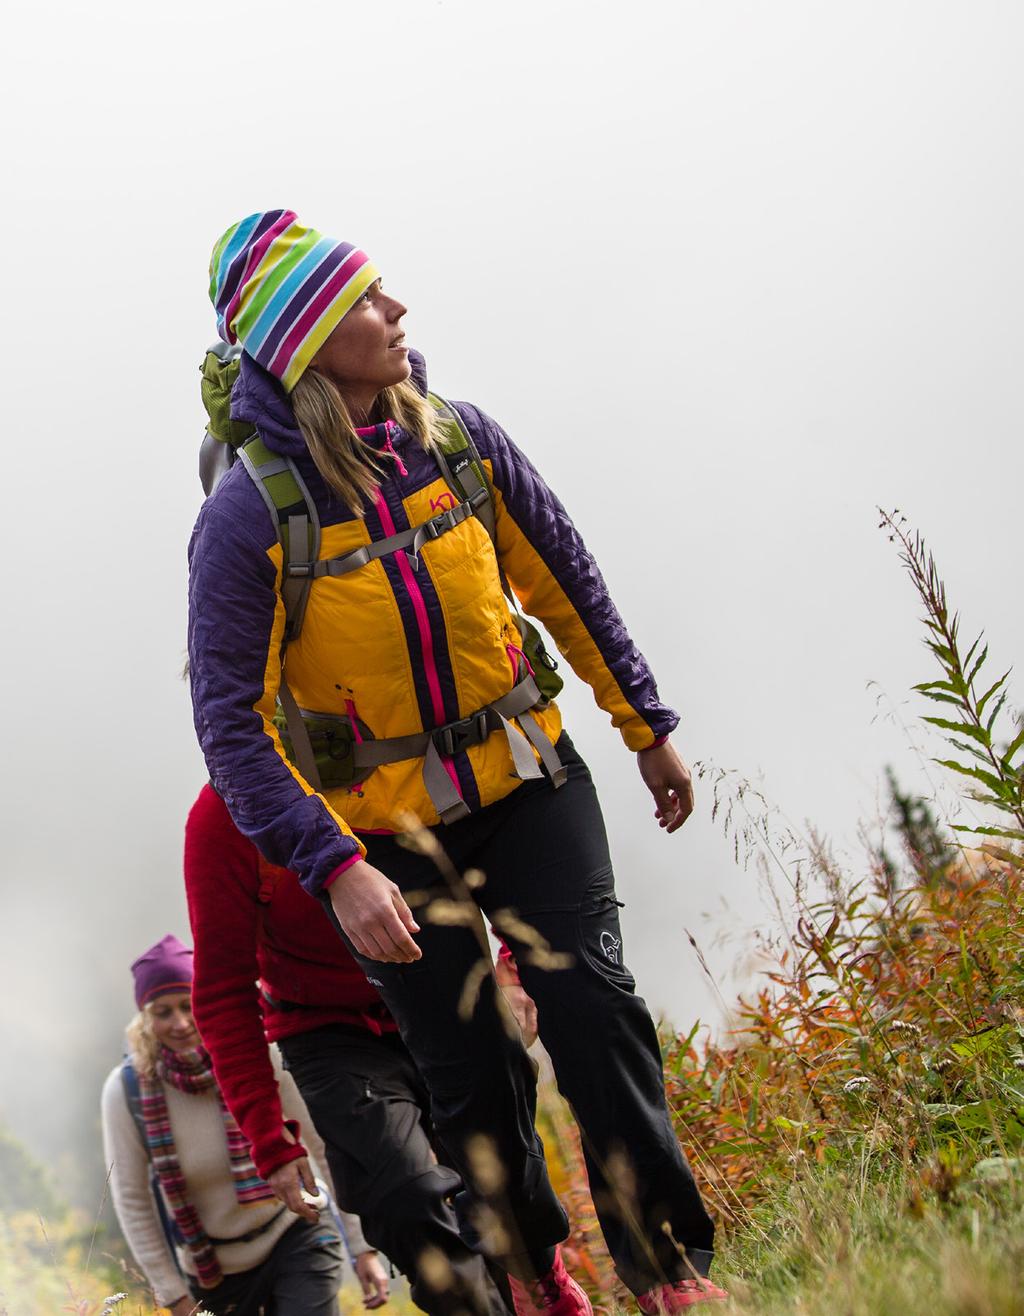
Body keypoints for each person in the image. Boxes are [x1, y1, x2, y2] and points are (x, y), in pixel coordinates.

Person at [188, 209, 727, 1314]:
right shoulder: (250, 520)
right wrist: (336, 864)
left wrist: (645, 723)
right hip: (388, 838)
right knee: (473, 1081)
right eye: (367, 303)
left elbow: (564, 576)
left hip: (530, 782)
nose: (397, 313)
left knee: (593, 1008)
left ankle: (670, 1276)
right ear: (309, 343)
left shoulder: (460, 439)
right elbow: (230, 728)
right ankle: (533, 1272)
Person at [185, 779, 525, 1316]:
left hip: (443, 995)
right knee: (406, 1196)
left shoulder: (402, 746)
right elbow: (223, 987)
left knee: (504, 1197)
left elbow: (511, 857)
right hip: (326, 1032)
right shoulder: (225, 816)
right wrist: (269, 1140)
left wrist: (514, 969)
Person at [101, 933, 381, 1315]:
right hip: (212, 1272)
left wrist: (362, 1247)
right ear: (145, 1020)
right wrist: (174, 1296)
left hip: (296, 1234)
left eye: (188, 1005)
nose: (180, 1023)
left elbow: (323, 1146)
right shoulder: (127, 1091)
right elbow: (132, 1200)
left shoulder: (256, 1057)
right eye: (163, 1012)